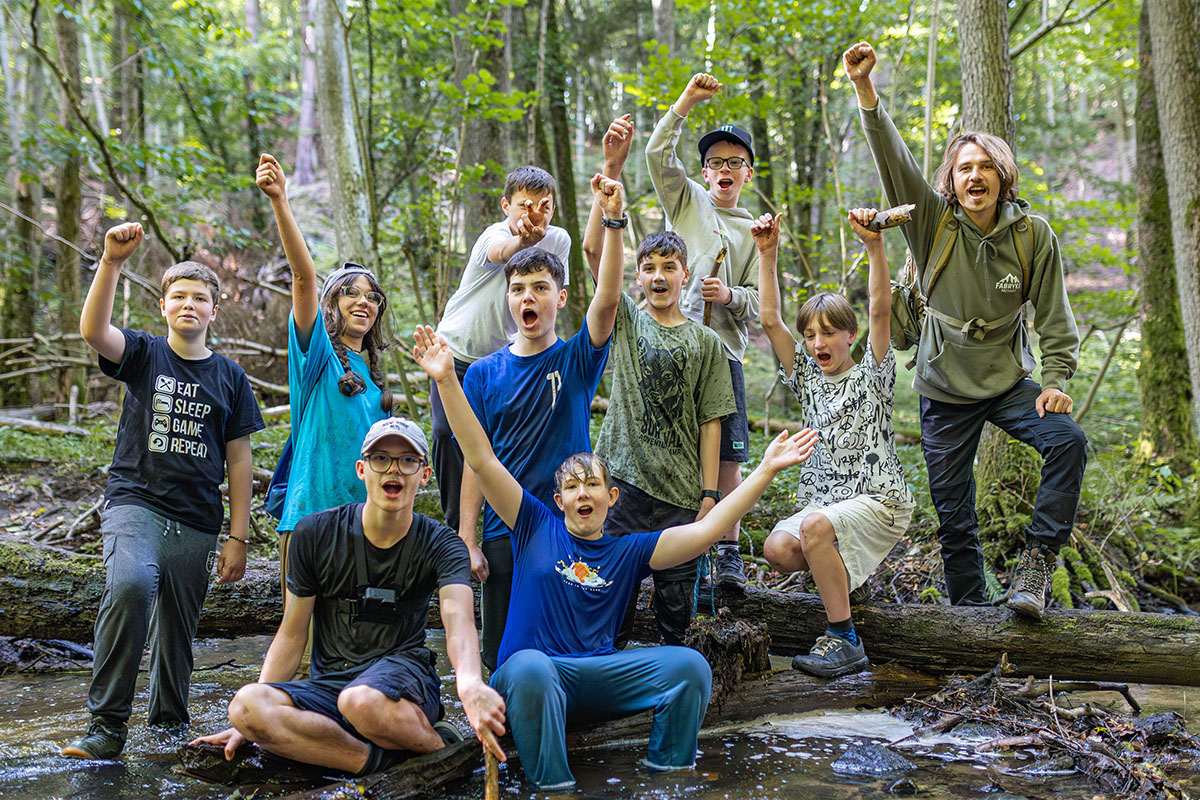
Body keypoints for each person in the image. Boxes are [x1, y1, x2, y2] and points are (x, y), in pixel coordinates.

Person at [413, 324, 817, 790]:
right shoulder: (533, 524)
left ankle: (668, 778)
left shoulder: (629, 550)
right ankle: (556, 790)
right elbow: (482, 458)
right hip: (531, 676)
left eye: (592, 484)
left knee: (690, 667)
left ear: (612, 497)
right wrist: (447, 380)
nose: (582, 492)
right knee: (529, 668)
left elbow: (705, 532)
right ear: (559, 500)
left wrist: (764, 469)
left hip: (597, 677)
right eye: (571, 486)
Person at [844, 42, 1086, 618]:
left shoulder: (1033, 236)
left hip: (1007, 382)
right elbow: (894, 161)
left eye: (985, 167)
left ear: (1003, 176)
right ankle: (970, 619)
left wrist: (1055, 380)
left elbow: (1055, 318)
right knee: (954, 517)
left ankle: (1036, 565)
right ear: (951, 181)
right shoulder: (932, 222)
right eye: (964, 168)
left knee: (1068, 442)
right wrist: (865, 89)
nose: (975, 175)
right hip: (943, 388)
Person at [191, 418, 507, 775]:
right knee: (246, 706)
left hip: (403, 682)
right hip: (330, 684)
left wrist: (470, 685)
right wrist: (248, 728)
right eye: (381, 459)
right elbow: (292, 634)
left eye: (407, 460)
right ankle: (375, 762)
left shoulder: (442, 544)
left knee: (361, 702)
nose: (393, 469)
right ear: (361, 469)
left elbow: (459, 621)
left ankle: (443, 753)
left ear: (424, 475)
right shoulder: (314, 534)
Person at [63, 222, 264, 759]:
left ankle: (169, 728)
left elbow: (239, 460)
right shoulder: (144, 353)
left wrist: (238, 536)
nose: (188, 305)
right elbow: (93, 331)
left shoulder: (230, 377)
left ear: (214, 310)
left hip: (197, 518)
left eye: (199, 298)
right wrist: (111, 262)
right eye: (179, 297)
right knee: (130, 585)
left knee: (178, 630)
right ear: (163, 307)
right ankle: (106, 726)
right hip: (136, 502)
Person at [460, 174, 623, 670]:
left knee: (570, 652)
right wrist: (468, 537)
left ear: (561, 297)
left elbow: (608, 299)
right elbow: (475, 460)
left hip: (568, 527)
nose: (527, 298)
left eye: (539, 288)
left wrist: (613, 221)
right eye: (517, 289)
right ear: (508, 299)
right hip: (504, 530)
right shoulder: (483, 374)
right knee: (500, 657)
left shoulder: (577, 360)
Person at [755, 209, 915, 677]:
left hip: (879, 499)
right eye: (810, 335)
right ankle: (845, 579)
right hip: (825, 504)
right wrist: (767, 253)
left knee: (814, 529)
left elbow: (880, 309)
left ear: (851, 335)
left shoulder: (872, 376)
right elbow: (769, 320)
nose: (817, 343)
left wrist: (874, 245)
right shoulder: (807, 379)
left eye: (828, 332)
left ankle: (844, 637)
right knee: (778, 550)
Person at [256, 154, 393, 674]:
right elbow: (302, 277)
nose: (363, 301)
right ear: (331, 306)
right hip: (311, 521)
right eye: (350, 293)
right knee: (302, 644)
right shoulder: (316, 359)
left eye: (372, 297)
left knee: (353, 650)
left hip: (366, 528)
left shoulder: (374, 385)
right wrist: (280, 200)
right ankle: (270, 714)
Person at [585, 213, 736, 646]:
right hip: (621, 487)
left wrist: (709, 495)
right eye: (649, 267)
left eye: (669, 267)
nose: (659, 276)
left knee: (677, 615)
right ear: (637, 277)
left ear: (685, 275)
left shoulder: (707, 343)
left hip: (680, 498)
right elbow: (593, 252)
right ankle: (602, 673)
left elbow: (710, 422)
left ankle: (672, 679)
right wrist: (610, 210)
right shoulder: (627, 320)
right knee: (609, 602)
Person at [645, 74, 763, 589]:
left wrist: (730, 295)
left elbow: (760, 302)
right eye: (716, 162)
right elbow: (656, 153)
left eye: (735, 162)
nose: (725, 170)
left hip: (723, 353)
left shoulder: (756, 229)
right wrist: (687, 100)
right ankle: (669, 548)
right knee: (669, 446)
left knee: (727, 456)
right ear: (704, 171)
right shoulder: (687, 201)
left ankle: (728, 552)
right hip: (672, 346)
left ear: (748, 173)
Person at [432, 166, 571, 536]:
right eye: (525, 205)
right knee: (447, 434)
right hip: (456, 353)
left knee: (495, 442)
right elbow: (502, 252)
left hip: (503, 363)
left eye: (544, 206)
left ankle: (505, 521)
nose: (534, 214)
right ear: (506, 206)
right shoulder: (493, 235)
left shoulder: (559, 240)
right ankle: (455, 530)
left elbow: (553, 291)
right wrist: (522, 241)